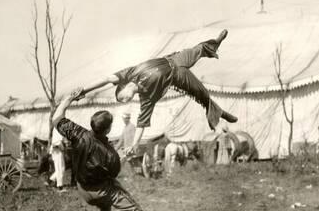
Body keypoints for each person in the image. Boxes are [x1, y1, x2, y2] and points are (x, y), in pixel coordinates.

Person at [79, 29, 237, 155]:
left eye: (123, 98)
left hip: (174, 59)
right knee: (203, 95)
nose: (126, 100)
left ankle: (216, 42)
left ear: (123, 86)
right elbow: (141, 124)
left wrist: (85, 90)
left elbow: (107, 79)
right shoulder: (146, 97)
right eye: (124, 101)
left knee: (199, 48)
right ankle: (220, 114)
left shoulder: (129, 73)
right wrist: (134, 145)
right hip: (178, 77)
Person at [53, 88, 156, 211]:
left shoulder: (77, 133)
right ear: (107, 130)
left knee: (104, 205)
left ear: (92, 124)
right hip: (100, 190)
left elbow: (56, 117)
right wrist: (124, 157)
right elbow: (114, 172)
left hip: (82, 189)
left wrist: (69, 97)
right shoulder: (110, 153)